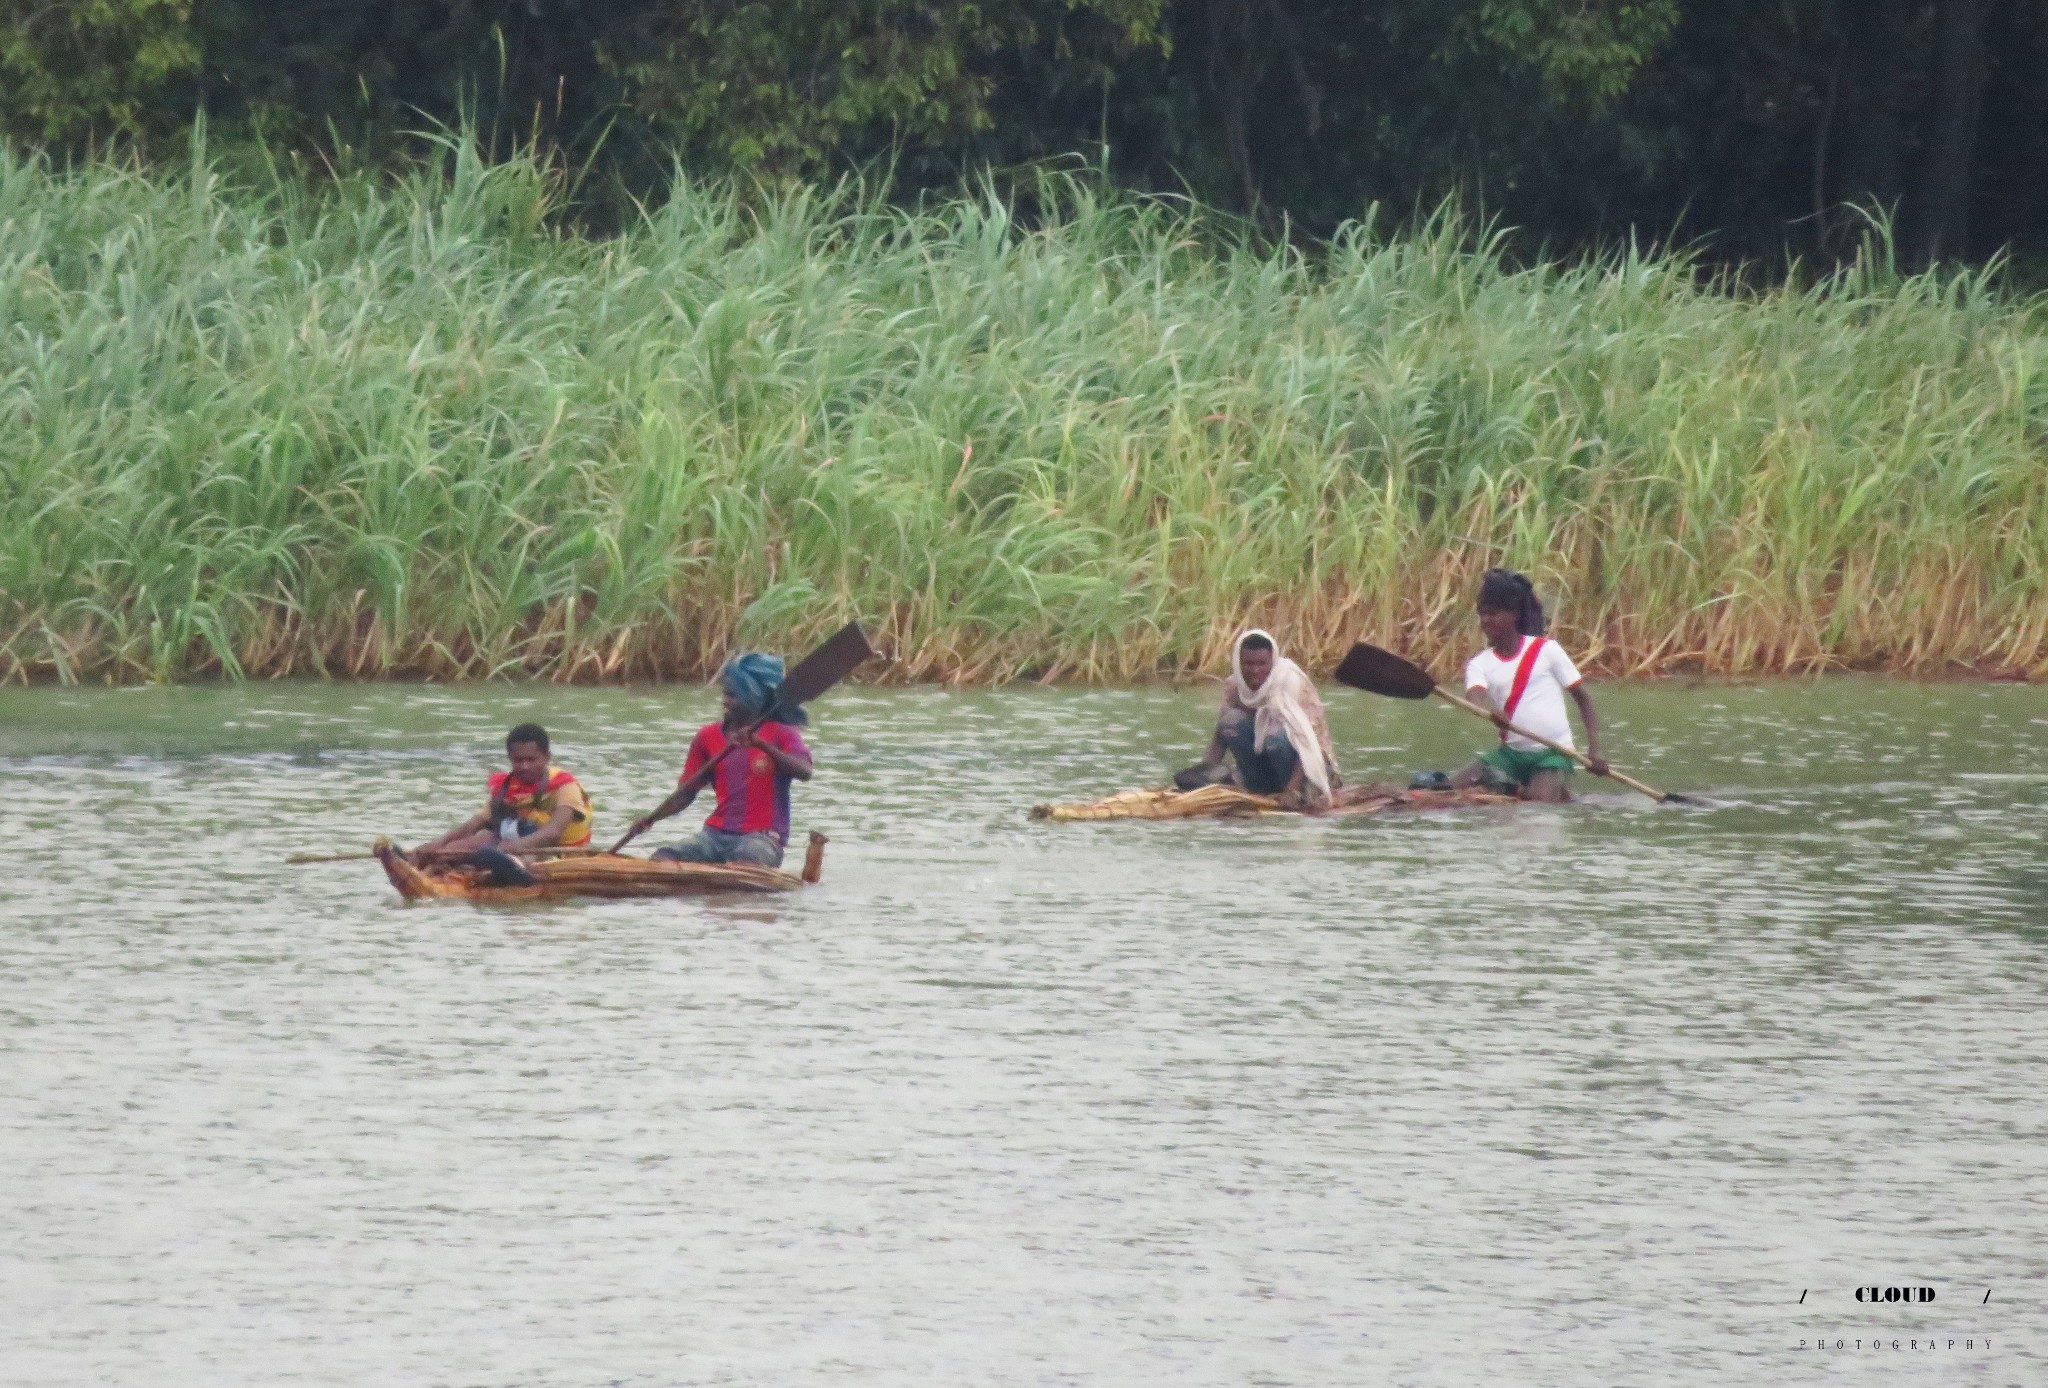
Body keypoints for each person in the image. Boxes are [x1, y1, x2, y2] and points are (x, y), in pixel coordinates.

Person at [625, 651, 814, 867]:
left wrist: (761, 745)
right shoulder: (707, 737)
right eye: (724, 694)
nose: (724, 701)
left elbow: (805, 771)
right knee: (663, 857)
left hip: (761, 839)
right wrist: (650, 820)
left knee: (744, 864)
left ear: (753, 698)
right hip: (714, 836)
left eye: (732, 696)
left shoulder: (781, 732)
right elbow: (685, 793)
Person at [1449, 569, 1609, 803]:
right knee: (1447, 789)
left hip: (1554, 754)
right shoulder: (1479, 664)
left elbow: (1583, 699)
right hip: (1511, 755)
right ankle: (1528, 789)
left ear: (1513, 614)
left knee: (1537, 804)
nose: (1485, 620)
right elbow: (1476, 696)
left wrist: (1596, 750)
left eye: (1493, 613)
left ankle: (1549, 791)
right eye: (1482, 614)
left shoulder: (1546, 650)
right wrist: (1490, 711)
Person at [409, 724, 593, 881]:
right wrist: (434, 845)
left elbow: (553, 832)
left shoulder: (565, 786)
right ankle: (430, 870)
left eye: (531, 759)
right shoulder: (505, 787)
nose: (524, 766)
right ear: (509, 758)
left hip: (552, 851)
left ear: (547, 757)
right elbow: (470, 827)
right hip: (506, 847)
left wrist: (512, 848)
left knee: (528, 854)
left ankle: (503, 871)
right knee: (473, 841)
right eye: (518, 760)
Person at [1180, 629, 1340, 807]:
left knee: (1274, 736)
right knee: (1230, 722)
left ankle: (1295, 792)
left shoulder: (1293, 685)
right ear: (1238, 663)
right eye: (1248, 664)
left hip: (1308, 772)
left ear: (1272, 662)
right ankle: (1258, 788)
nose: (1255, 671)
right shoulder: (1235, 686)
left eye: (1262, 664)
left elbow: (1308, 746)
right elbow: (1220, 737)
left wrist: (1291, 792)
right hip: (1264, 767)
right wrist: (1201, 781)